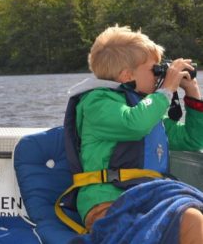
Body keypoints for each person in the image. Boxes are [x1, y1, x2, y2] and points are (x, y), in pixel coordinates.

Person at [65, 25, 203, 243]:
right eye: (154, 70)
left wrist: (193, 94)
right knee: (191, 219)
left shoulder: (145, 109)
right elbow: (133, 124)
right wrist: (166, 90)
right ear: (126, 75)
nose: (160, 76)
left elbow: (192, 139)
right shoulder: (97, 102)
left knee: (193, 215)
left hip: (149, 199)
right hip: (109, 203)